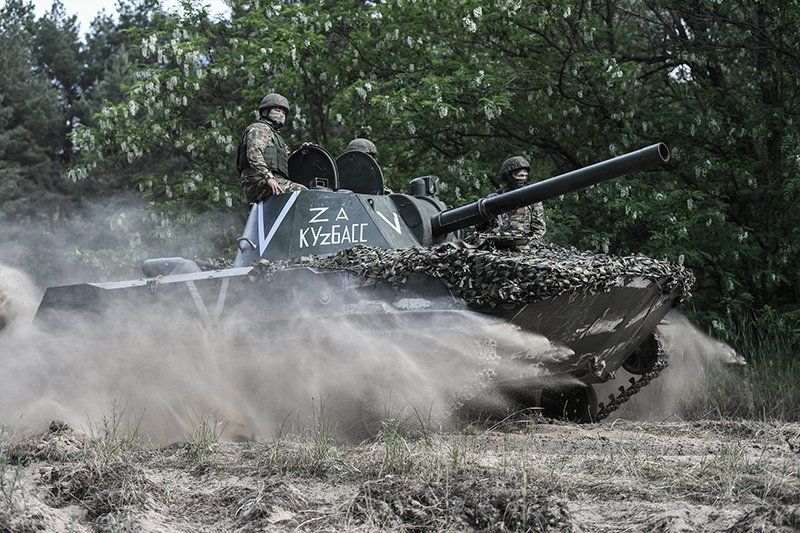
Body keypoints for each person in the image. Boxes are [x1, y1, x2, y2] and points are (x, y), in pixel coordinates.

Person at [237, 92, 307, 203]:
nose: (281, 115)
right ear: (266, 112)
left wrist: (303, 152)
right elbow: (254, 154)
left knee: (311, 191)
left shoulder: (275, 137)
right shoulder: (259, 129)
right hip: (257, 180)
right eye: (277, 110)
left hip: (273, 180)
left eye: (284, 113)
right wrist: (269, 178)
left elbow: (287, 161)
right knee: (302, 192)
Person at [493, 156, 546, 240]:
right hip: (497, 243)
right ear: (509, 176)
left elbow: (539, 229)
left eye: (525, 176)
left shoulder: (532, 198)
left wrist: (528, 242)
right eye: (520, 176)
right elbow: (485, 227)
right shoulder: (496, 198)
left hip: (525, 244)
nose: (523, 178)